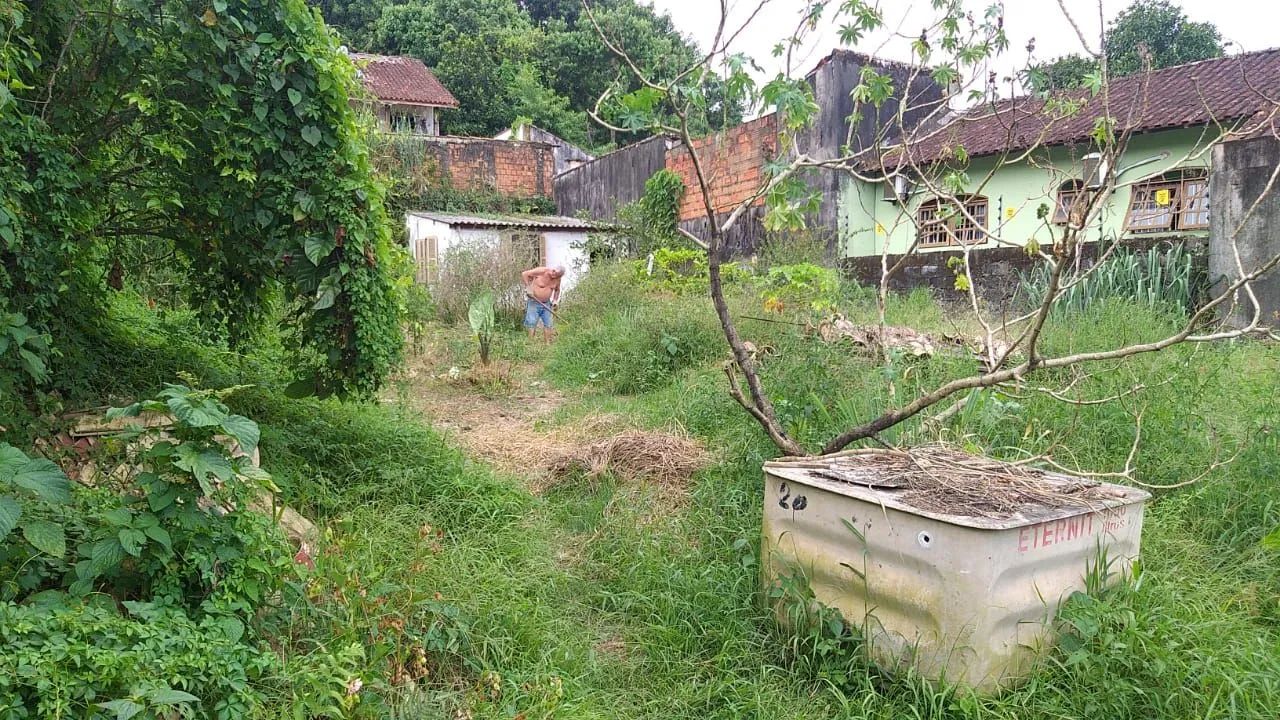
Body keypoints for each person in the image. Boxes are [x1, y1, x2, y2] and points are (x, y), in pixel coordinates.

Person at [521, 264, 563, 343]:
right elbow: (524, 274)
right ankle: (531, 344)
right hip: (534, 302)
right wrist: (528, 287)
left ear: (558, 276)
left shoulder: (557, 280)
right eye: (553, 271)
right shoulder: (542, 271)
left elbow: (557, 290)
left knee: (548, 323)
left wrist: (555, 300)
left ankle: (547, 344)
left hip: (546, 304)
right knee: (531, 323)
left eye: (556, 274)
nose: (553, 273)